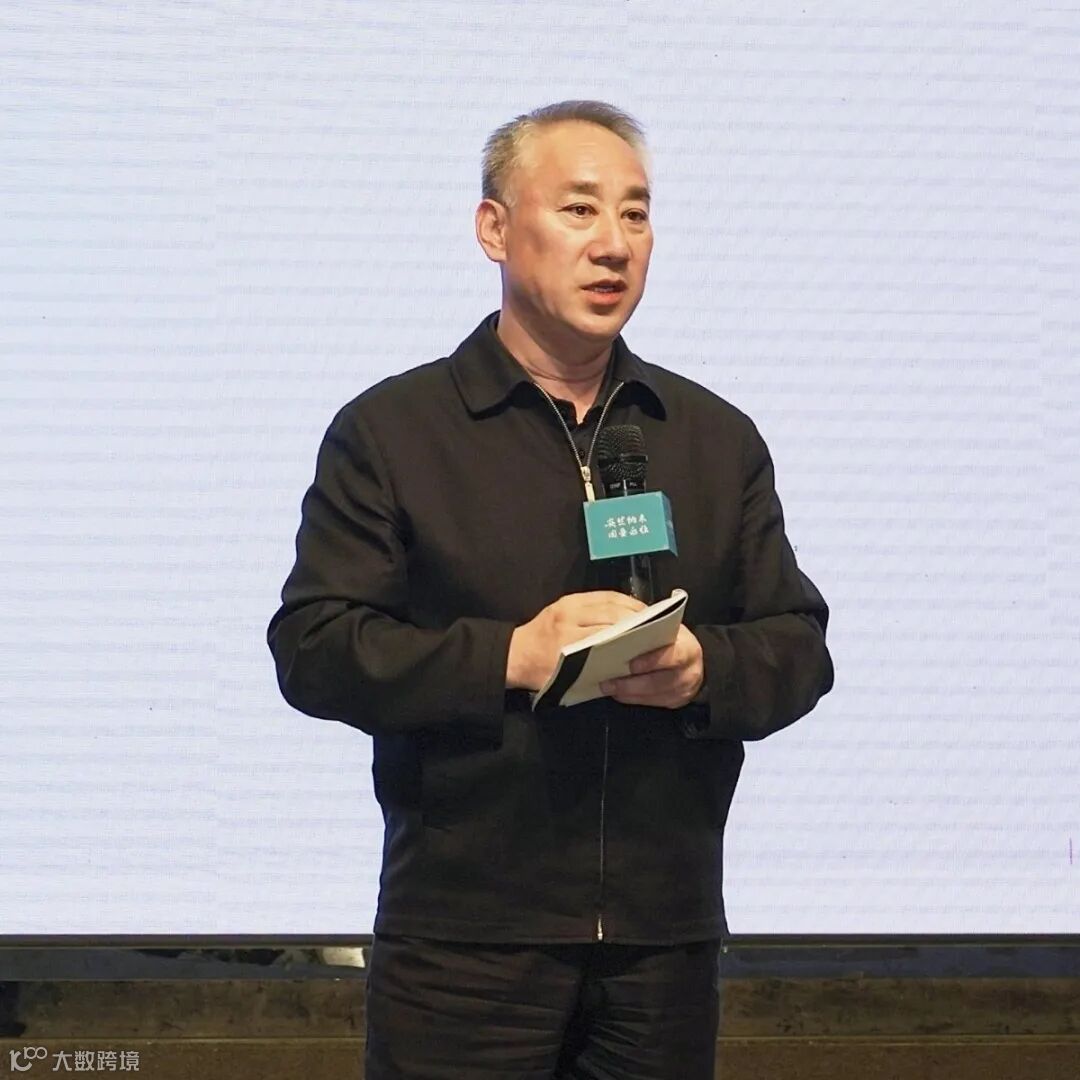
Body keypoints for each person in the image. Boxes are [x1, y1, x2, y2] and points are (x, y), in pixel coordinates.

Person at [267, 100, 833, 1080]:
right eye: (579, 210)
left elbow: (798, 646)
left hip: (663, 942)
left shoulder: (710, 436)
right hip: (464, 946)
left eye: (636, 214)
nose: (614, 244)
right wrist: (512, 657)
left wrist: (704, 669)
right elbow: (315, 647)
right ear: (494, 229)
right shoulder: (395, 432)